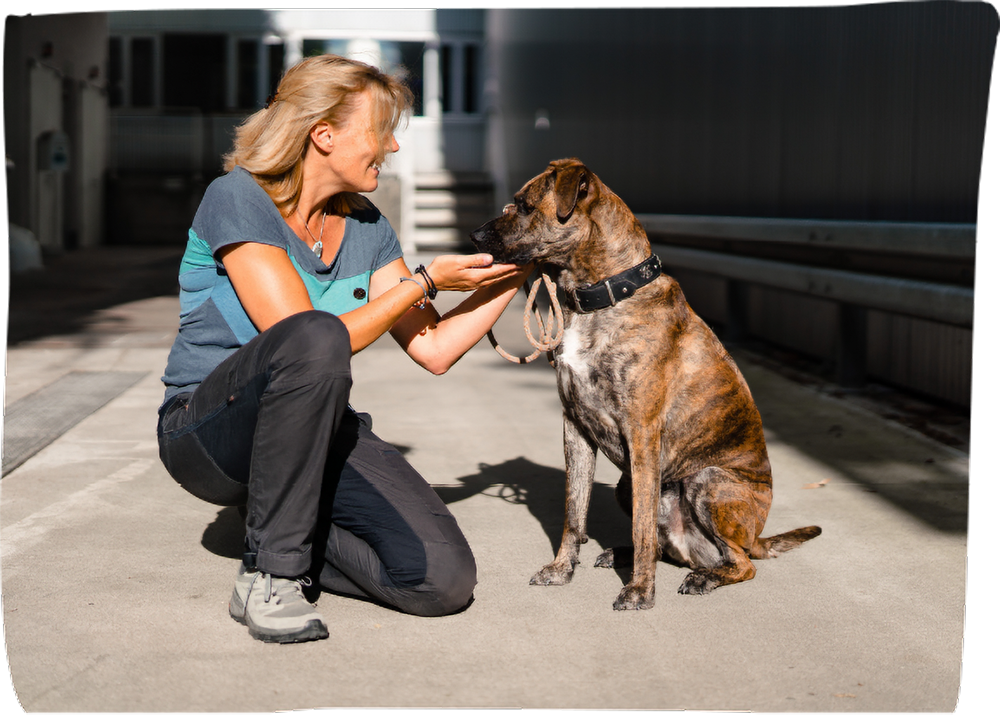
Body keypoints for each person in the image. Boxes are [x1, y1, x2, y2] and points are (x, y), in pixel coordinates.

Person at [156, 54, 529, 644]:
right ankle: (270, 572)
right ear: (323, 135)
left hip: (314, 433)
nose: (394, 148)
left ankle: (280, 521)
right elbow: (300, 332)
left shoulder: (367, 227)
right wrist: (425, 282)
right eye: (383, 131)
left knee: (440, 581)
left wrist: (521, 269)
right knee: (316, 333)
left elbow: (432, 346)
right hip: (206, 433)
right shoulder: (237, 198)